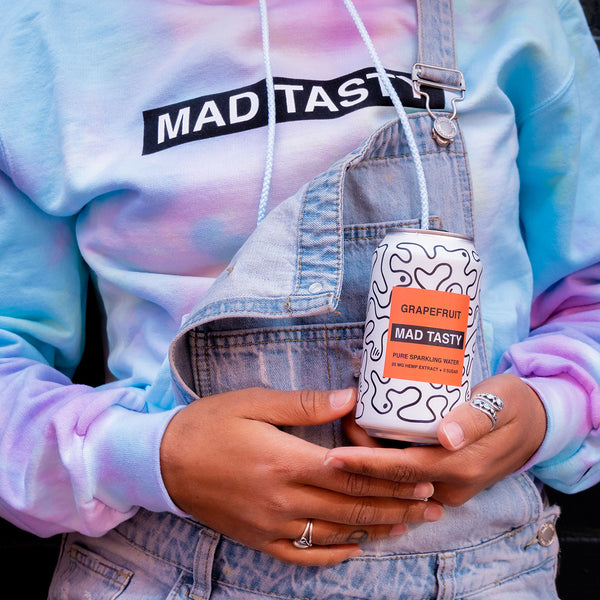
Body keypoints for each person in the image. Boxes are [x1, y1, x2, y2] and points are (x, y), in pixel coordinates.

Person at [1, 0, 599, 597]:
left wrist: (544, 413)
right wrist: (154, 460)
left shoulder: (512, 13)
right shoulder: (44, 32)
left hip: (483, 573)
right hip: (161, 571)